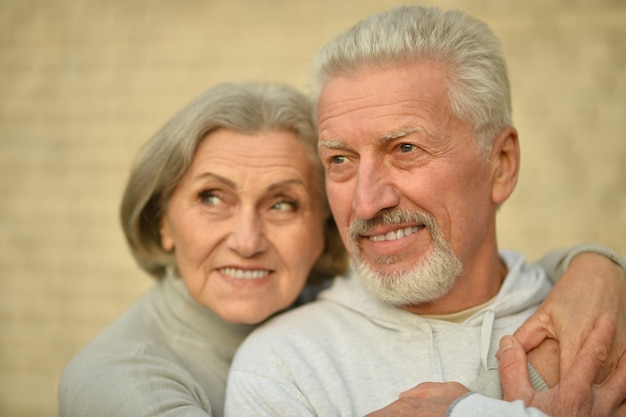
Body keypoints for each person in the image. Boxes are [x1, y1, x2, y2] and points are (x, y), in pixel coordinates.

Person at [225, 6, 626, 417]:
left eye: (405, 149)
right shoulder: (283, 369)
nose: (366, 202)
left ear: (501, 164)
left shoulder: (603, 328)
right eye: (341, 160)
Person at [57, 82, 349, 417]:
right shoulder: (113, 381)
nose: (247, 242)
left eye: (282, 204)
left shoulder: (350, 314)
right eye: (211, 198)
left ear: (323, 232)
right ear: (163, 222)